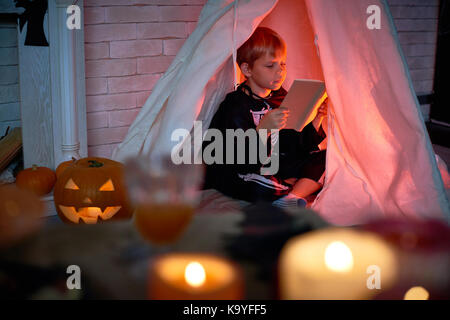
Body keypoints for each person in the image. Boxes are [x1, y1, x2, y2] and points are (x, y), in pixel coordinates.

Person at [202, 27, 327, 208]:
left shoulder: (281, 96)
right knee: (247, 180)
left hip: (274, 162)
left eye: (283, 64)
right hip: (243, 166)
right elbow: (234, 159)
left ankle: (289, 196)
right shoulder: (236, 105)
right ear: (247, 69)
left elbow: (291, 143)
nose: (280, 71)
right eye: (270, 65)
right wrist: (263, 130)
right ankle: (286, 189)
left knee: (326, 159)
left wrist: (317, 119)